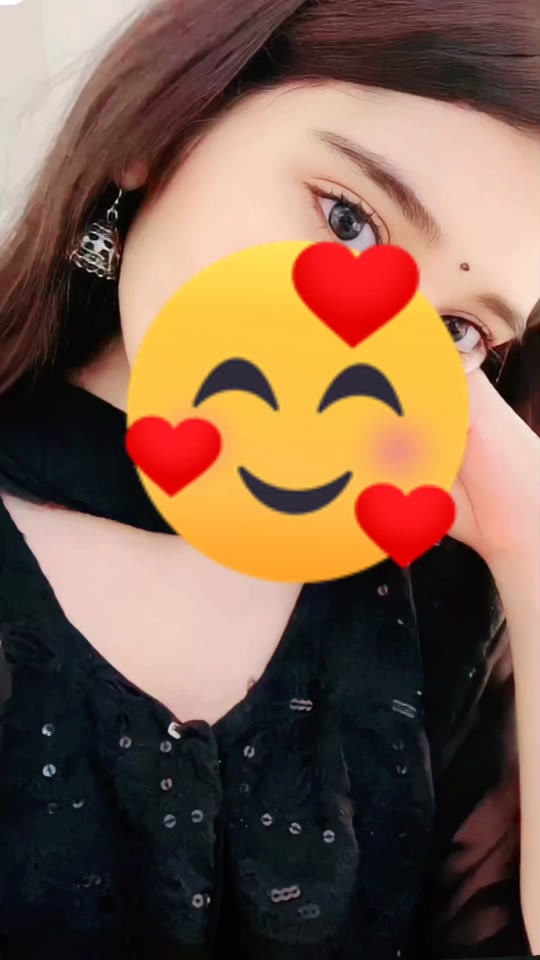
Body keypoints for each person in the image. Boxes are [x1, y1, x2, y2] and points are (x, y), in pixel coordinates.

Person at [0, 0, 539, 957]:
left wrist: (531, 542)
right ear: (165, 126)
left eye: (457, 330)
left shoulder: (446, 599)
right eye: (349, 219)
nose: (373, 347)